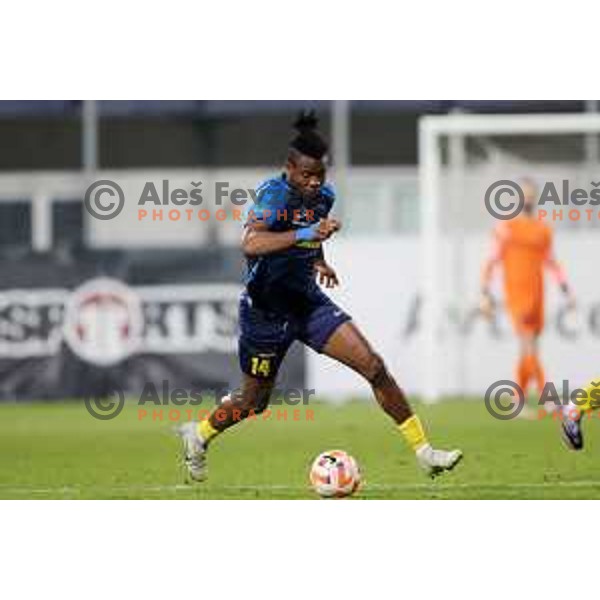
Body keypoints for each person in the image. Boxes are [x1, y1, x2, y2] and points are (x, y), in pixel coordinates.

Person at [178, 111, 462, 482]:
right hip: (264, 315)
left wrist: (318, 260)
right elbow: (252, 243)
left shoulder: (324, 196)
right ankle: (197, 437)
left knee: (374, 367)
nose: (314, 183)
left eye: (320, 176)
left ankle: (425, 453)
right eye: (306, 175)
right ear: (289, 169)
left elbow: (310, 235)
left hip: (308, 304)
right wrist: (306, 234)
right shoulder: (273, 195)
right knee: (253, 403)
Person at [480, 179, 575, 411]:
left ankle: (515, 401)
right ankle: (548, 398)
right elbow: (492, 260)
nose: (528, 199)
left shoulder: (543, 229)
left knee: (530, 347)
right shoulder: (506, 227)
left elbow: (551, 261)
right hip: (516, 292)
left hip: (537, 293)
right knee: (528, 343)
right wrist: (484, 290)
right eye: (524, 195)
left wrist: (565, 288)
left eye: (532, 195)